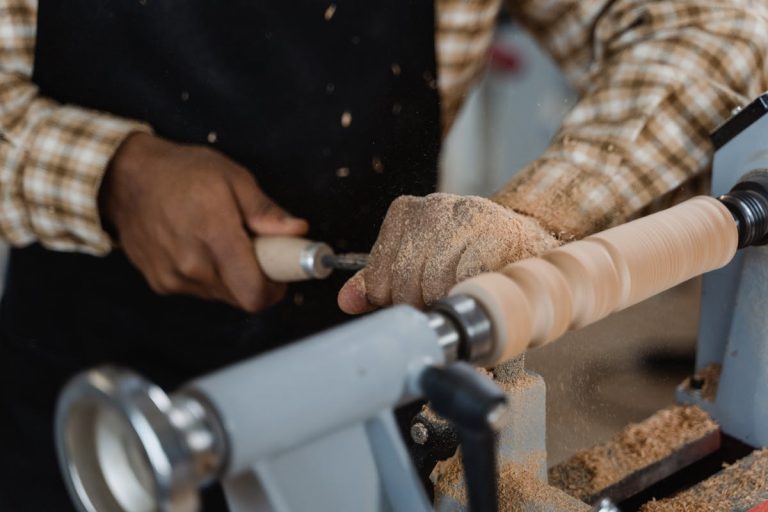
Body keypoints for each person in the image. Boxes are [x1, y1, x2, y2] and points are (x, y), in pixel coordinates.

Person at [0, 0, 765, 509]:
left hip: (387, 369)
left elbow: (714, 28)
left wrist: (543, 210)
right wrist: (114, 175)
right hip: (91, 408)